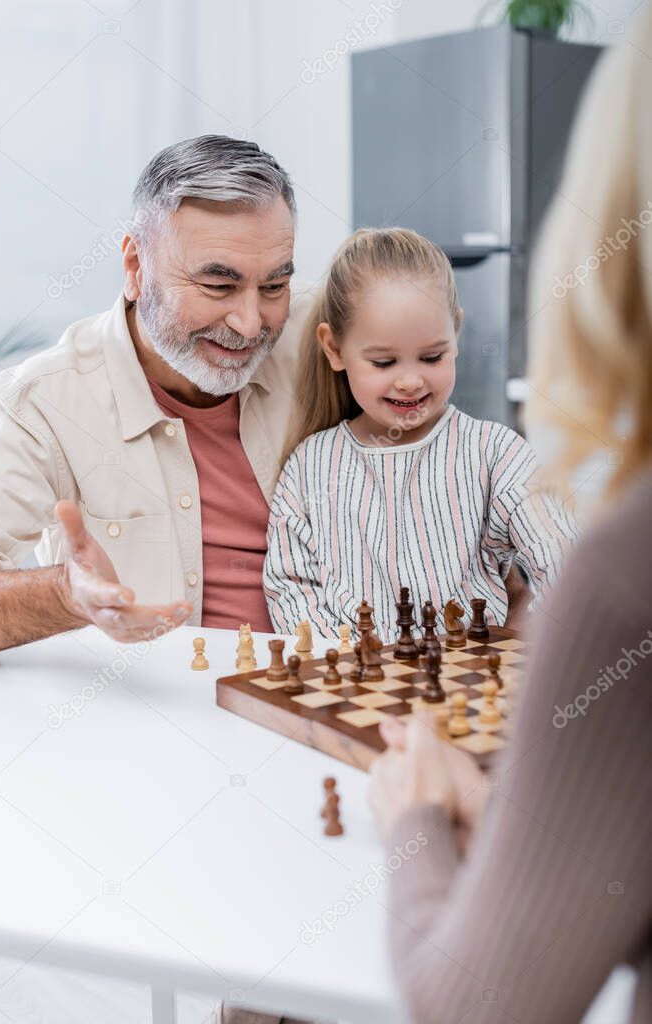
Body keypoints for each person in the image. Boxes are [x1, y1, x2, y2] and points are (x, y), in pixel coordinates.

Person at [367, 7, 652, 1022]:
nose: (412, 381)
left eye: (434, 355)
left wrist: (411, 818)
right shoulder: (321, 463)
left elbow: (478, 1007)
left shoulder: (624, 570)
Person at [0, 135, 314, 658]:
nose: (249, 325)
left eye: (273, 287)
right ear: (135, 267)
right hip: (159, 714)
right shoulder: (36, 405)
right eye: (218, 287)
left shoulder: (324, 339)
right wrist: (65, 595)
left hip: (325, 690)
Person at [263, 227, 576, 641]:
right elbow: (290, 585)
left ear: (456, 335)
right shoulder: (308, 468)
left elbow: (565, 559)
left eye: (432, 357)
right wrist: (340, 662)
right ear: (335, 349)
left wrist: (535, 646)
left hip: (471, 688)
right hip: (355, 694)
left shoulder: (495, 454)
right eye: (384, 362)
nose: (410, 381)